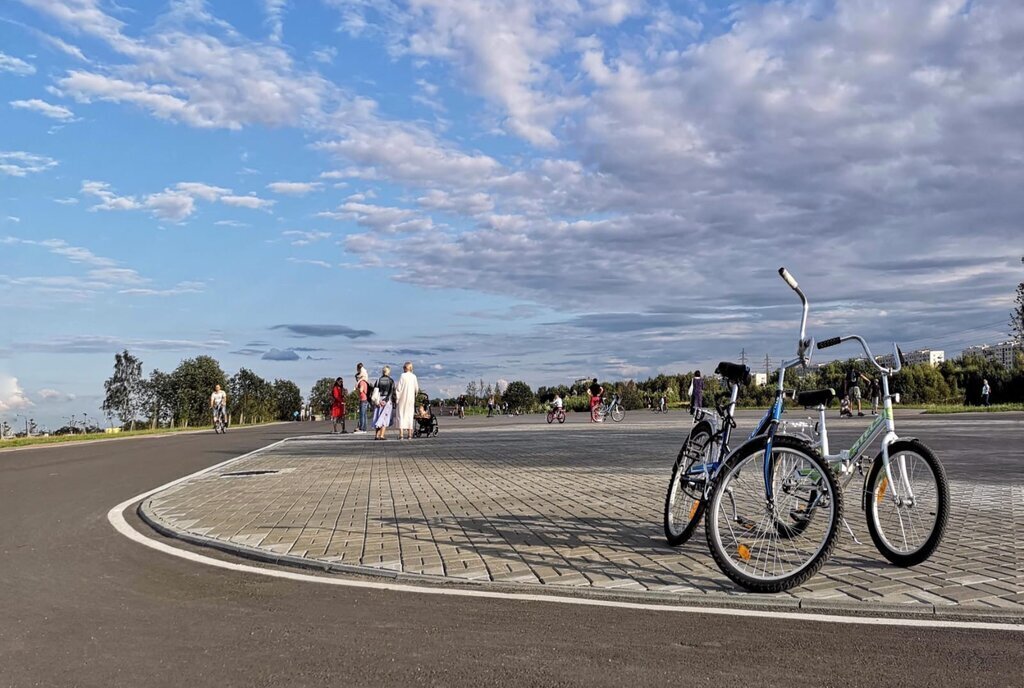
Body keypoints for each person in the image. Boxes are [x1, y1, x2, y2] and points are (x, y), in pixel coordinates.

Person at [395, 362, 420, 440]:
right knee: (409, 415)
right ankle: (409, 434)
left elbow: (398, 388)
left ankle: (401, 435)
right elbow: (417, 388)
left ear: (405, 368)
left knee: (401, 415)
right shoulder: (414, 376)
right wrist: (415, 395)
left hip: (402, 398)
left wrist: (397, 398)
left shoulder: (402, 376)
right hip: (410, 399)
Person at [372, 366, 396, 440]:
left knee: (378, 416)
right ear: (389, 372)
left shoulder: (378, 380)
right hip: (387, 400)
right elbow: (392, 392)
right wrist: (387, 400)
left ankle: (376, 435)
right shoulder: (391, 380)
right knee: (384, 417)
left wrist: (378, 401)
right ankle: (382, 435)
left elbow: (375, 390)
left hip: (378, 399)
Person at [355, 363, 370, 434]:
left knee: (362, 414)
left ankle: (362, 428)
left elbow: (361, 390)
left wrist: (356, 389)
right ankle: (364, 428)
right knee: (364, 414)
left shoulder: (361, 382)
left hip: (362, 399)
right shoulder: (365, 382)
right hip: (365, 399)